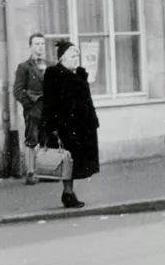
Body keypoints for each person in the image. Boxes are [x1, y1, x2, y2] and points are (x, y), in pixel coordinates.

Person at [41, 38, 100, 208]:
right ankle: (68, 194)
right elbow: (50, 103)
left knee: (75, 161)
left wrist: (92, 121)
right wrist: (52, 128)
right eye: (72, 55)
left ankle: (69, 193)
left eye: (77, 55)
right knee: (68, 161)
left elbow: (87, 100)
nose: (76, 58)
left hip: (81, 126)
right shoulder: (55, 75)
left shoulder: (78, 74)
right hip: (66, 127)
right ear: (62, 59)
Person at [13, 31, 47, 185]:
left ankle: (47, 171)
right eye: (36, 44)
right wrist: (30, 106)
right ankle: (30, 173)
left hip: (48, 109)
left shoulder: (50, 65)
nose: (40, 47)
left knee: (47, 139)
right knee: (31, 140)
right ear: (30, 47)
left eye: (42, 44)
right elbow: (17, 91)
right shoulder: (24, 67)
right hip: (33, 110)